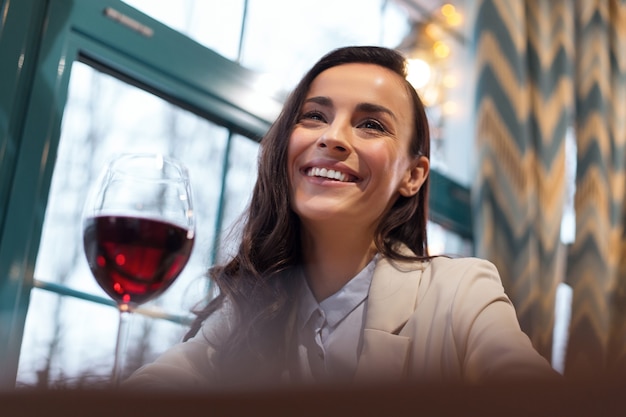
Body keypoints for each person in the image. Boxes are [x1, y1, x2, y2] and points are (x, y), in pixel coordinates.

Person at [124, 45, 559, 390]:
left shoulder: (463, 292)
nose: (332, 137)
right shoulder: (249, 309)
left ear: (413, 175)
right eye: (314, 116)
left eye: (371, 125)